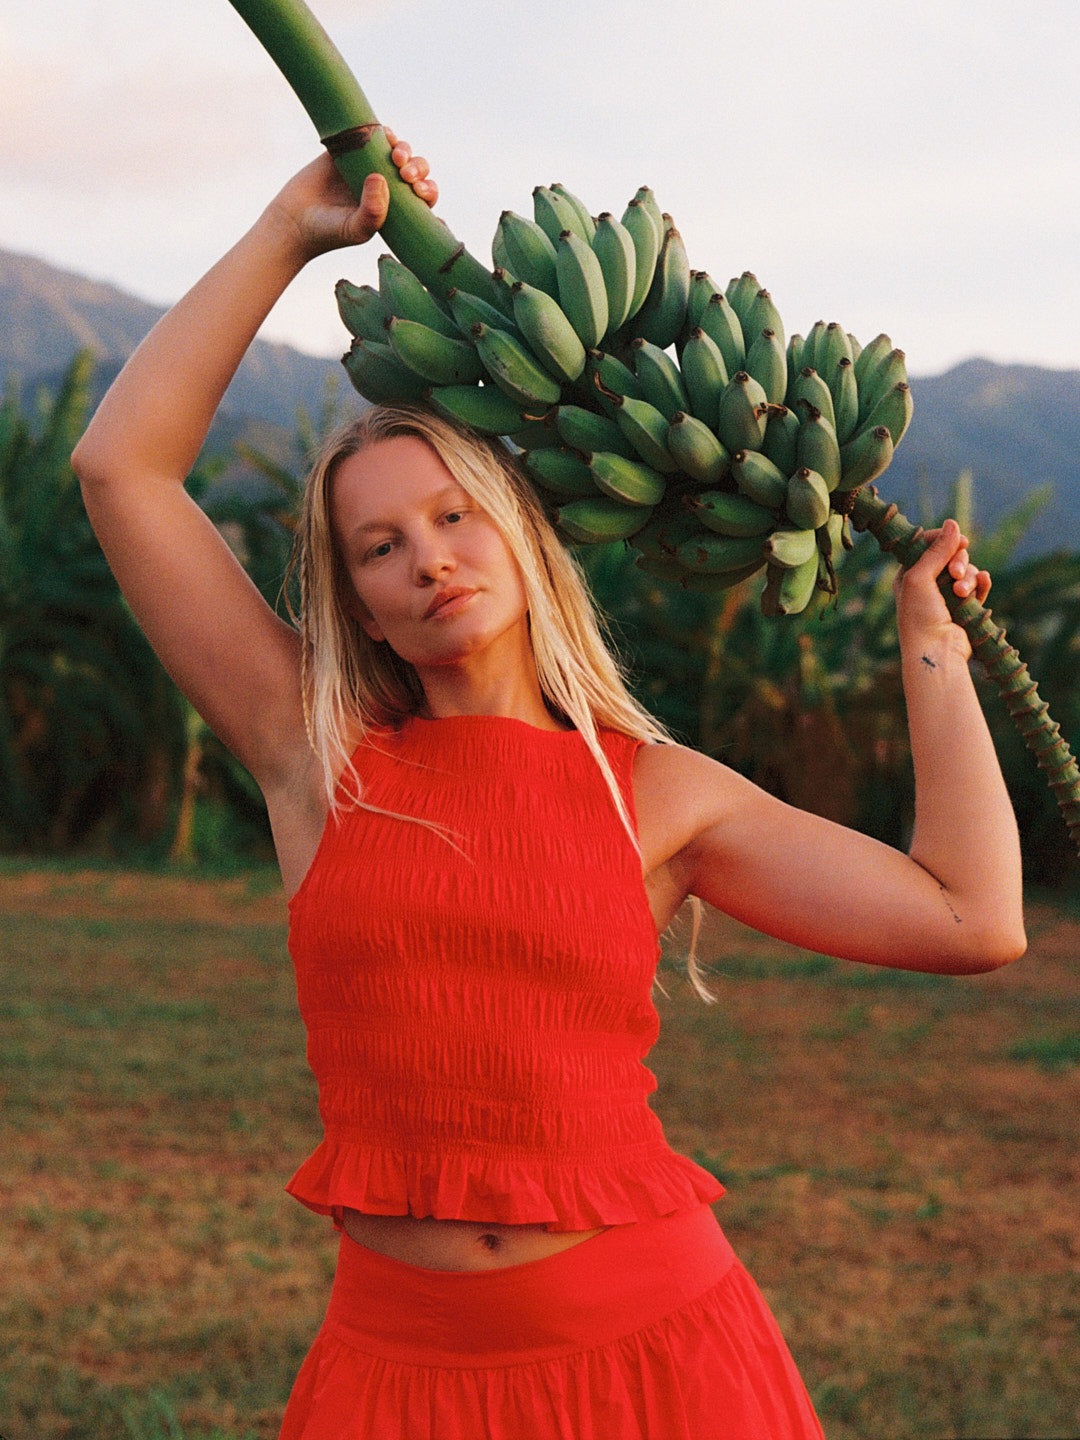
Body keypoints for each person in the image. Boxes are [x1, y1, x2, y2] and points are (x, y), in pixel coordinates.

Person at [71, 133, 1026, 1439]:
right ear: (356, 599)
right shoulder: (319, 755)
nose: (430, 558)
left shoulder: (657, 792)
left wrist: (931, 642)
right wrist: (288, 232)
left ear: (521, 533)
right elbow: (122, 472)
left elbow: (972, 918)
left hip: (654, 1351)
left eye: (456, 515)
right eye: (380, 545)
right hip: (395, 1371)